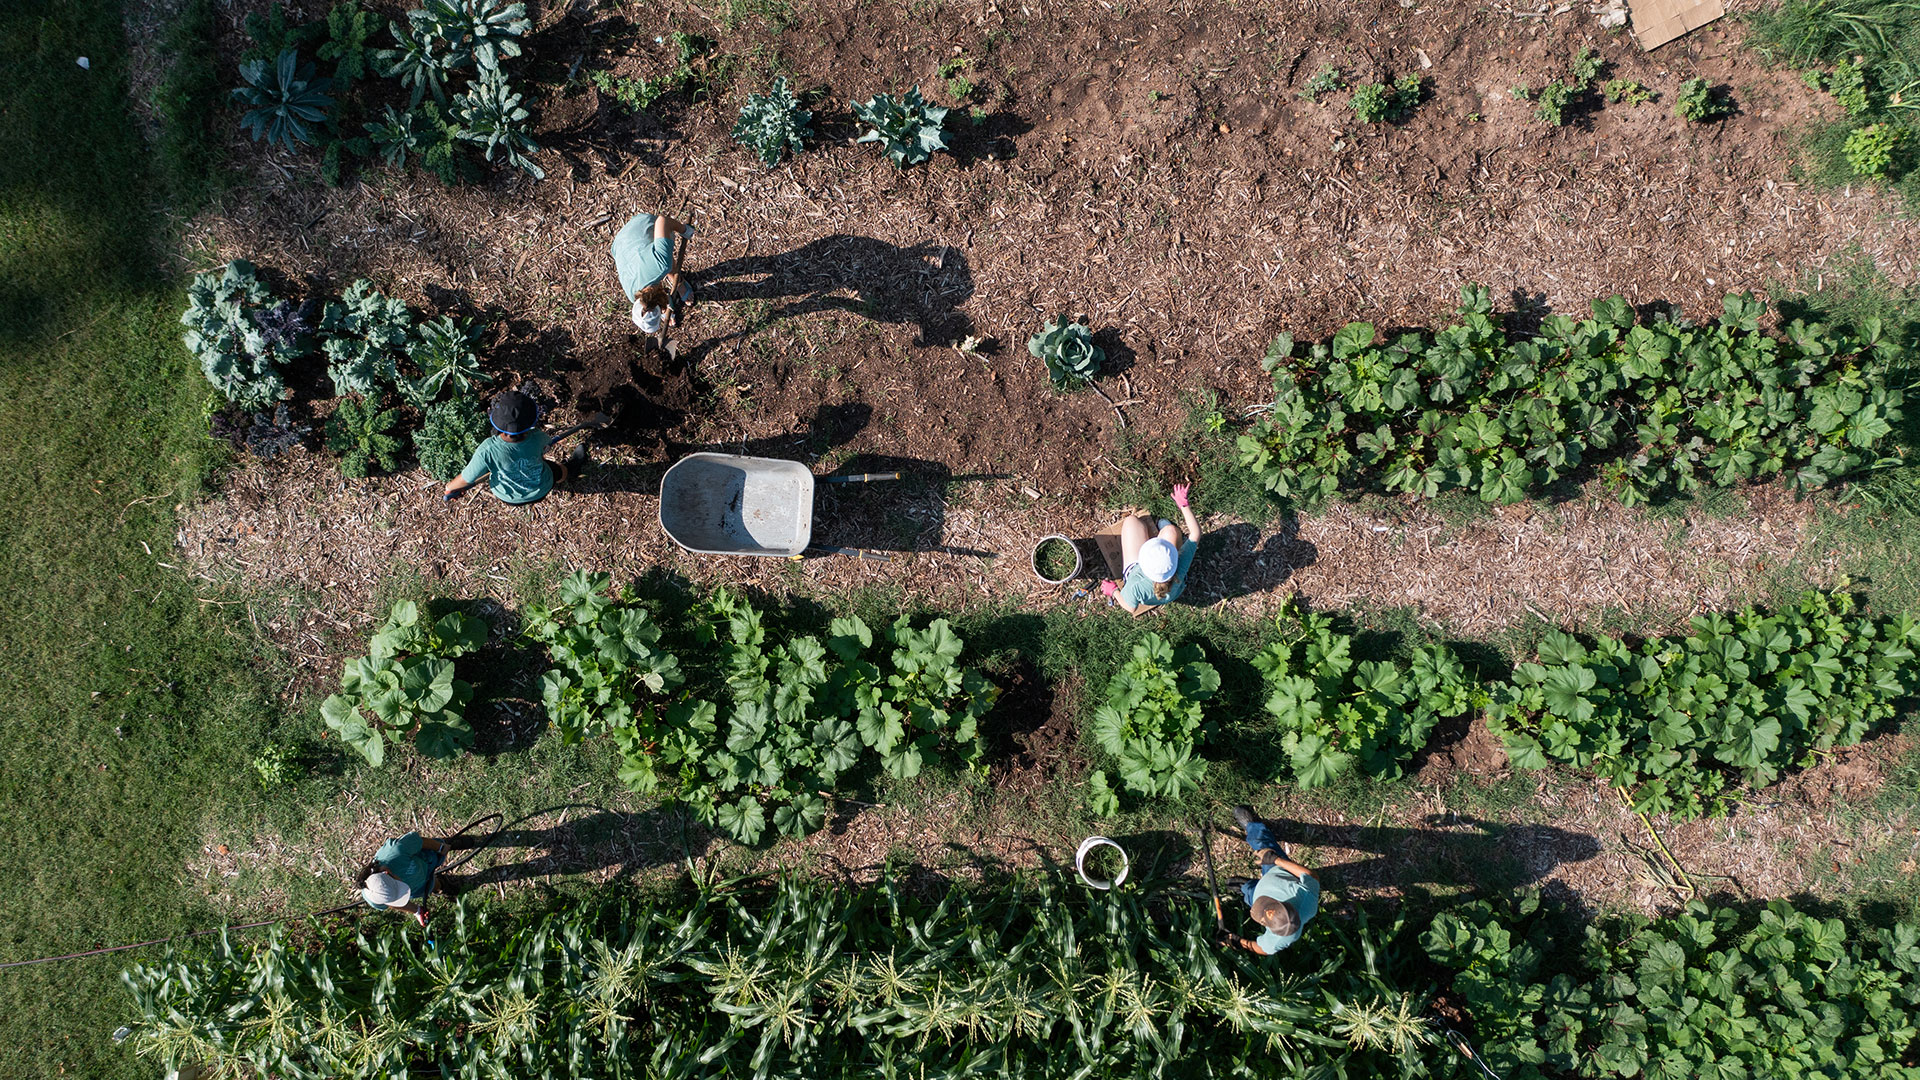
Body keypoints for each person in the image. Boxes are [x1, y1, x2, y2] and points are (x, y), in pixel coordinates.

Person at [442, 389, 584, 505]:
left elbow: (466, 479)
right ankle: (571, 470)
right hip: (541, 489)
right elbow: (544, 448)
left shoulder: (487, 450)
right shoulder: (538, 438)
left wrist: (450, 488)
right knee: (558, 470)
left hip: (508, 497)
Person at [1219, 804, 1319, 955]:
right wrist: (1275, 859)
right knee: (1262, 843)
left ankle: (1246, 886)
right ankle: (1252, 826)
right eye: (1264, 904)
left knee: (1250, 895)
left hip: (1260, 890)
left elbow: (1262, 949)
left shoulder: (1283, 936)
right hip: (1276, 870)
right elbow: (1312, 876)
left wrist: (1239, 942)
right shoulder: (1306, 898)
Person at [1100, 483, 1201, 617]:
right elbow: (1195, 534)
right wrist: (1184, 506)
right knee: (1170, 531)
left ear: (1143, 563)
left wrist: (1113, 591)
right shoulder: (1180, 567)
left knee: (1131, 521)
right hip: (1175, 592)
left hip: (1136, 573)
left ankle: (1153, 532)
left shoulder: (1135, 587)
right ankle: (1165, 528)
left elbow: (1130, 608)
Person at [611, 209, 696, 355]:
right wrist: (663, 310)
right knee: (661, 263)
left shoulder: (660, 264)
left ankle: (678, 282)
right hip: (620, 246)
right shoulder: (634, 296)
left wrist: (684, 230)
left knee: (665, 263)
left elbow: (662, 221)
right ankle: (674, 281)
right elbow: (651, 294)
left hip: (642, 225)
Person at [357, 831, 451, 925]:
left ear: (387, 873)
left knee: (445, 846)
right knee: (434, 886)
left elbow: (419, 842)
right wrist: (417, 911)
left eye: (399, 887)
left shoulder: (397, 851)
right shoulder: (373, 898)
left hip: (426, 859)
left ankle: (454, 843)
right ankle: (442, 885)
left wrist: (440, 847)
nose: (401, 894)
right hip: (418, 886)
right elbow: (390, 902)